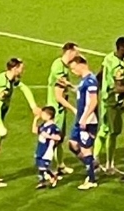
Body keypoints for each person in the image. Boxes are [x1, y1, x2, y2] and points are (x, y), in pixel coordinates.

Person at [0, 58, 40, 188]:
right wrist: (0, 126)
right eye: (21, 68)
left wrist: (33, 106)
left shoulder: (11, 79)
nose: (23, 70)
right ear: (15, 68)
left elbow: (24, 88)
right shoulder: (3, 85)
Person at [95, 37, 124, 175]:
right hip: (113, 102)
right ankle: (109, 164)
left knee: (104, 130)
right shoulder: (118, 67)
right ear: (122, 47)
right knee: (112, 133)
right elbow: (118, 88)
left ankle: (95, 160)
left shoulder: (108, 58)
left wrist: (95, 90)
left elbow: (99, 75)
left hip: (105, 99)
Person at [45, 42, 79, 176]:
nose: (78, 55)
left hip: (60, 110)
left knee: (59, 139)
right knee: (54, 139)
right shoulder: (58, 65)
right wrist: (73, 109)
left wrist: (73, 88)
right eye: (76, 52)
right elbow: (58, 95)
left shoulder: (64, 67)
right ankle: (47, 169)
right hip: (55, 110)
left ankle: (60, 165)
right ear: (69, 52)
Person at [69, 56, 100, 191]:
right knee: (72, 144)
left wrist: (85, 118)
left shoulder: (91, 80)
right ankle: (93, 165)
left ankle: (92, 179)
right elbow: (83, 94)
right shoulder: (84, 81)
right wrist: (70, 86)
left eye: (74, 68)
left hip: (87, 121)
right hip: (80, 119)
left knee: (85, 149)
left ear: (81, 65)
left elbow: (93, 101)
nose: (73, 71)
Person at [33, 106, 61, 190]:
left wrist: (48, 136)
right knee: (39, 165)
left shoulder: (53, 127)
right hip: (40, 147)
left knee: (43, 166)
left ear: (49, 116)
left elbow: (59, 137)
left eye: (43, 114)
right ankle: (42, 182)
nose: (41, 115)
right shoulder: (43, 125)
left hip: (47, 149)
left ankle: (53, 177)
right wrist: (35, 120)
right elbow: (34, 130)